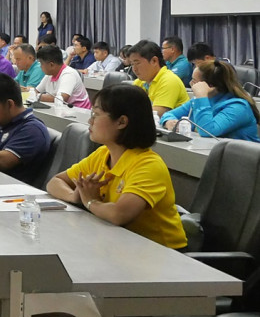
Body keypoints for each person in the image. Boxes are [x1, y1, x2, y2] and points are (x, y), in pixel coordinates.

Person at [47, 84, 186, 248]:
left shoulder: (149, 165)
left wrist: (90, 201)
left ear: (121, 122)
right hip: (119, 245)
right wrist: (75, 197)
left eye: (96, 115)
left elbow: (119, 215)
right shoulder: (103, 154)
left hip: (161, 253)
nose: (90, 121)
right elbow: (55, 182)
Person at [160, 60, 260, 142]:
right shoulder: (200, 100)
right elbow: (168, 114)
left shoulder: (238, 107)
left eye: (194, 81)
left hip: (243, 157)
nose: (191, 84)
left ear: (210, 85)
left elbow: (207, 131)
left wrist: (202, 97)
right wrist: (168, 122)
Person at [129, 40, 188, 115]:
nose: (134, 69)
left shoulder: (169, 80)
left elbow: (156, 114)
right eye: (132, 64)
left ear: (154, 61)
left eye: (137, 63)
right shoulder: (139, 82)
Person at [35, 45, 91, 109]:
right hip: (61, 110)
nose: (40, 66)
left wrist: (37, 96)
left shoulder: (69, 74)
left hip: (79, 111)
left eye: (41, 63)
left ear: (51, 65)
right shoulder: (49, 75)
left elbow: (61, 99)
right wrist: (32, 94)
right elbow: (36, 91)